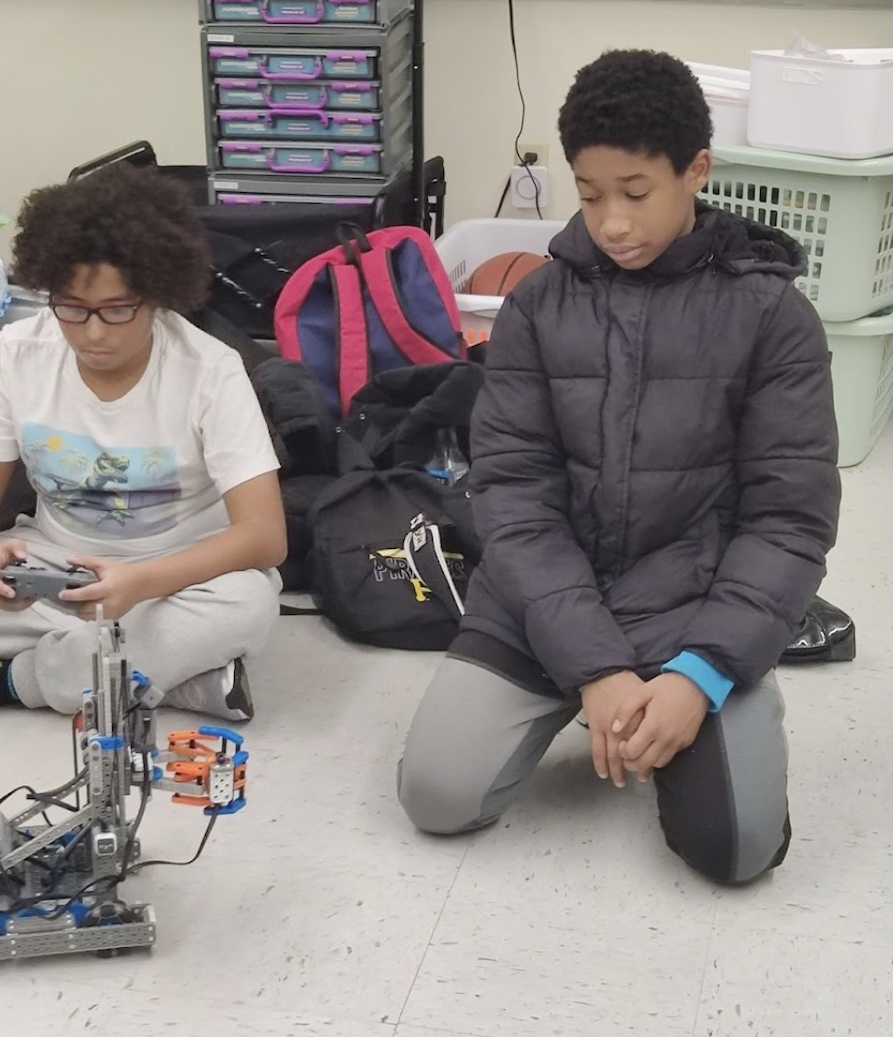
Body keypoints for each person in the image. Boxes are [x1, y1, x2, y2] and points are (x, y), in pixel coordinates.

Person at [397, 49, 841, 884]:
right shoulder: (535, 306)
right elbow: (514, 497)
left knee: (737, 853)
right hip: (546, 603)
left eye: (636, 193)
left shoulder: (774, 315)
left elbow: (790, 518)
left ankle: (715, 698)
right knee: (437, 795)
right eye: (591, 194)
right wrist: (596, 667)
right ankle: (602, 700)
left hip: (694, 604)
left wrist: (699, 673)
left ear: (696, 172)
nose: (612, 223)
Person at [0, 163, 287, 722]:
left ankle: (0, 682)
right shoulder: (18, 353)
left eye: (118, 310)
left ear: (157, 296)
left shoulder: (209, 370)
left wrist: (141, 582)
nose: (94, 333)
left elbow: (265, 537)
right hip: (55, 573)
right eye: (72, 309)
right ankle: (161, 679)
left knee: (246, 604)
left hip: (173, 581)